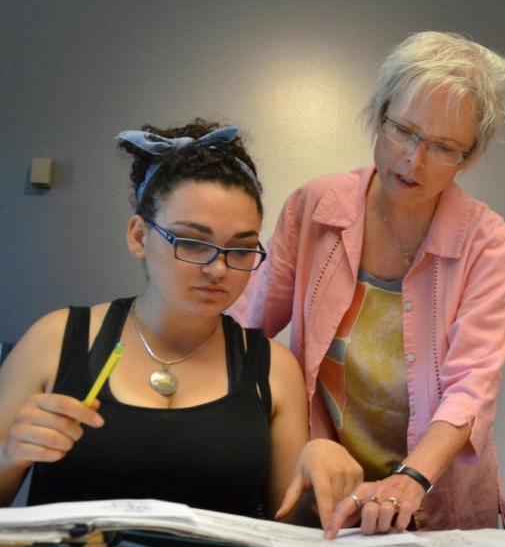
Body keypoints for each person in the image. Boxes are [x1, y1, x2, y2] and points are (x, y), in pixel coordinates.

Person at [0, 120, 361, 524]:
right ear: (139, 237)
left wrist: (320, 471)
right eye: (192, 242)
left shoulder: (272, 368)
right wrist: (10, 456)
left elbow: (289, 526)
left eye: (241, 249)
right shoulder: (56, 339)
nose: (218, 269)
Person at [233, 32, 505, 537]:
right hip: (326, 492)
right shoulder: (316, 207)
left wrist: (411, 478)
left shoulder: (487, 242)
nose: (413, 159)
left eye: (443, 147)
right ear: (381, 114)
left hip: (436, 499)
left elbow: (472, 385)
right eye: (403, 131)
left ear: (469, 157)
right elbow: (244, 331)